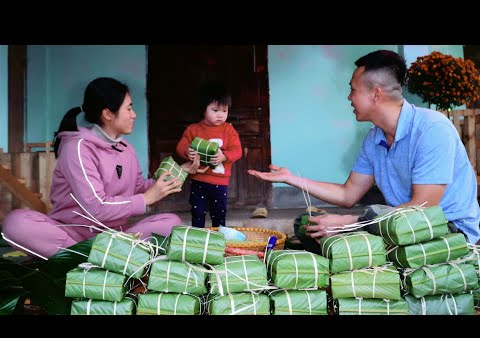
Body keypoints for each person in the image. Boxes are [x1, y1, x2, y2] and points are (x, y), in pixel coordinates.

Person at [249, 49, 480, 252]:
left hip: (447, 229)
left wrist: (349, 223)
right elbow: (347, 195)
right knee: (309, 224)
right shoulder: (374, 138)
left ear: (376, 93)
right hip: (398, 225)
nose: (349, 97)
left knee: (341, 226)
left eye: (353, 90)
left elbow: (423, 208)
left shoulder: (432, 128)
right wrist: (291, 178)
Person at [1, 77, 205, 259]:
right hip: (72, 234)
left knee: (171, 224)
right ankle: (97, 257)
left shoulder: (126, 149)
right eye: (129, 108)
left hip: (115, 235)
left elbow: (138, 189)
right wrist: (146, 199)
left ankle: (89, 259)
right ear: (108, 114)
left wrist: (182, 171)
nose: (134, 115)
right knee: (16, 224)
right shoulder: (77, 148)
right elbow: (96, 207)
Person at [176, 80, 242, 228]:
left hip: (220, 183)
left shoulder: (229, 130)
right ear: (203, 109)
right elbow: (181, 145)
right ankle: (197, 242)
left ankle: (217, 242)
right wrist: (187, 151)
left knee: (219, 214)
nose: (220, 115)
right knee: (197, 212)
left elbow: (237, 151)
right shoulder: (193, 130)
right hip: (198, 180)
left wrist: (225, 156)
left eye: (224, 111)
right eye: (215, 110)